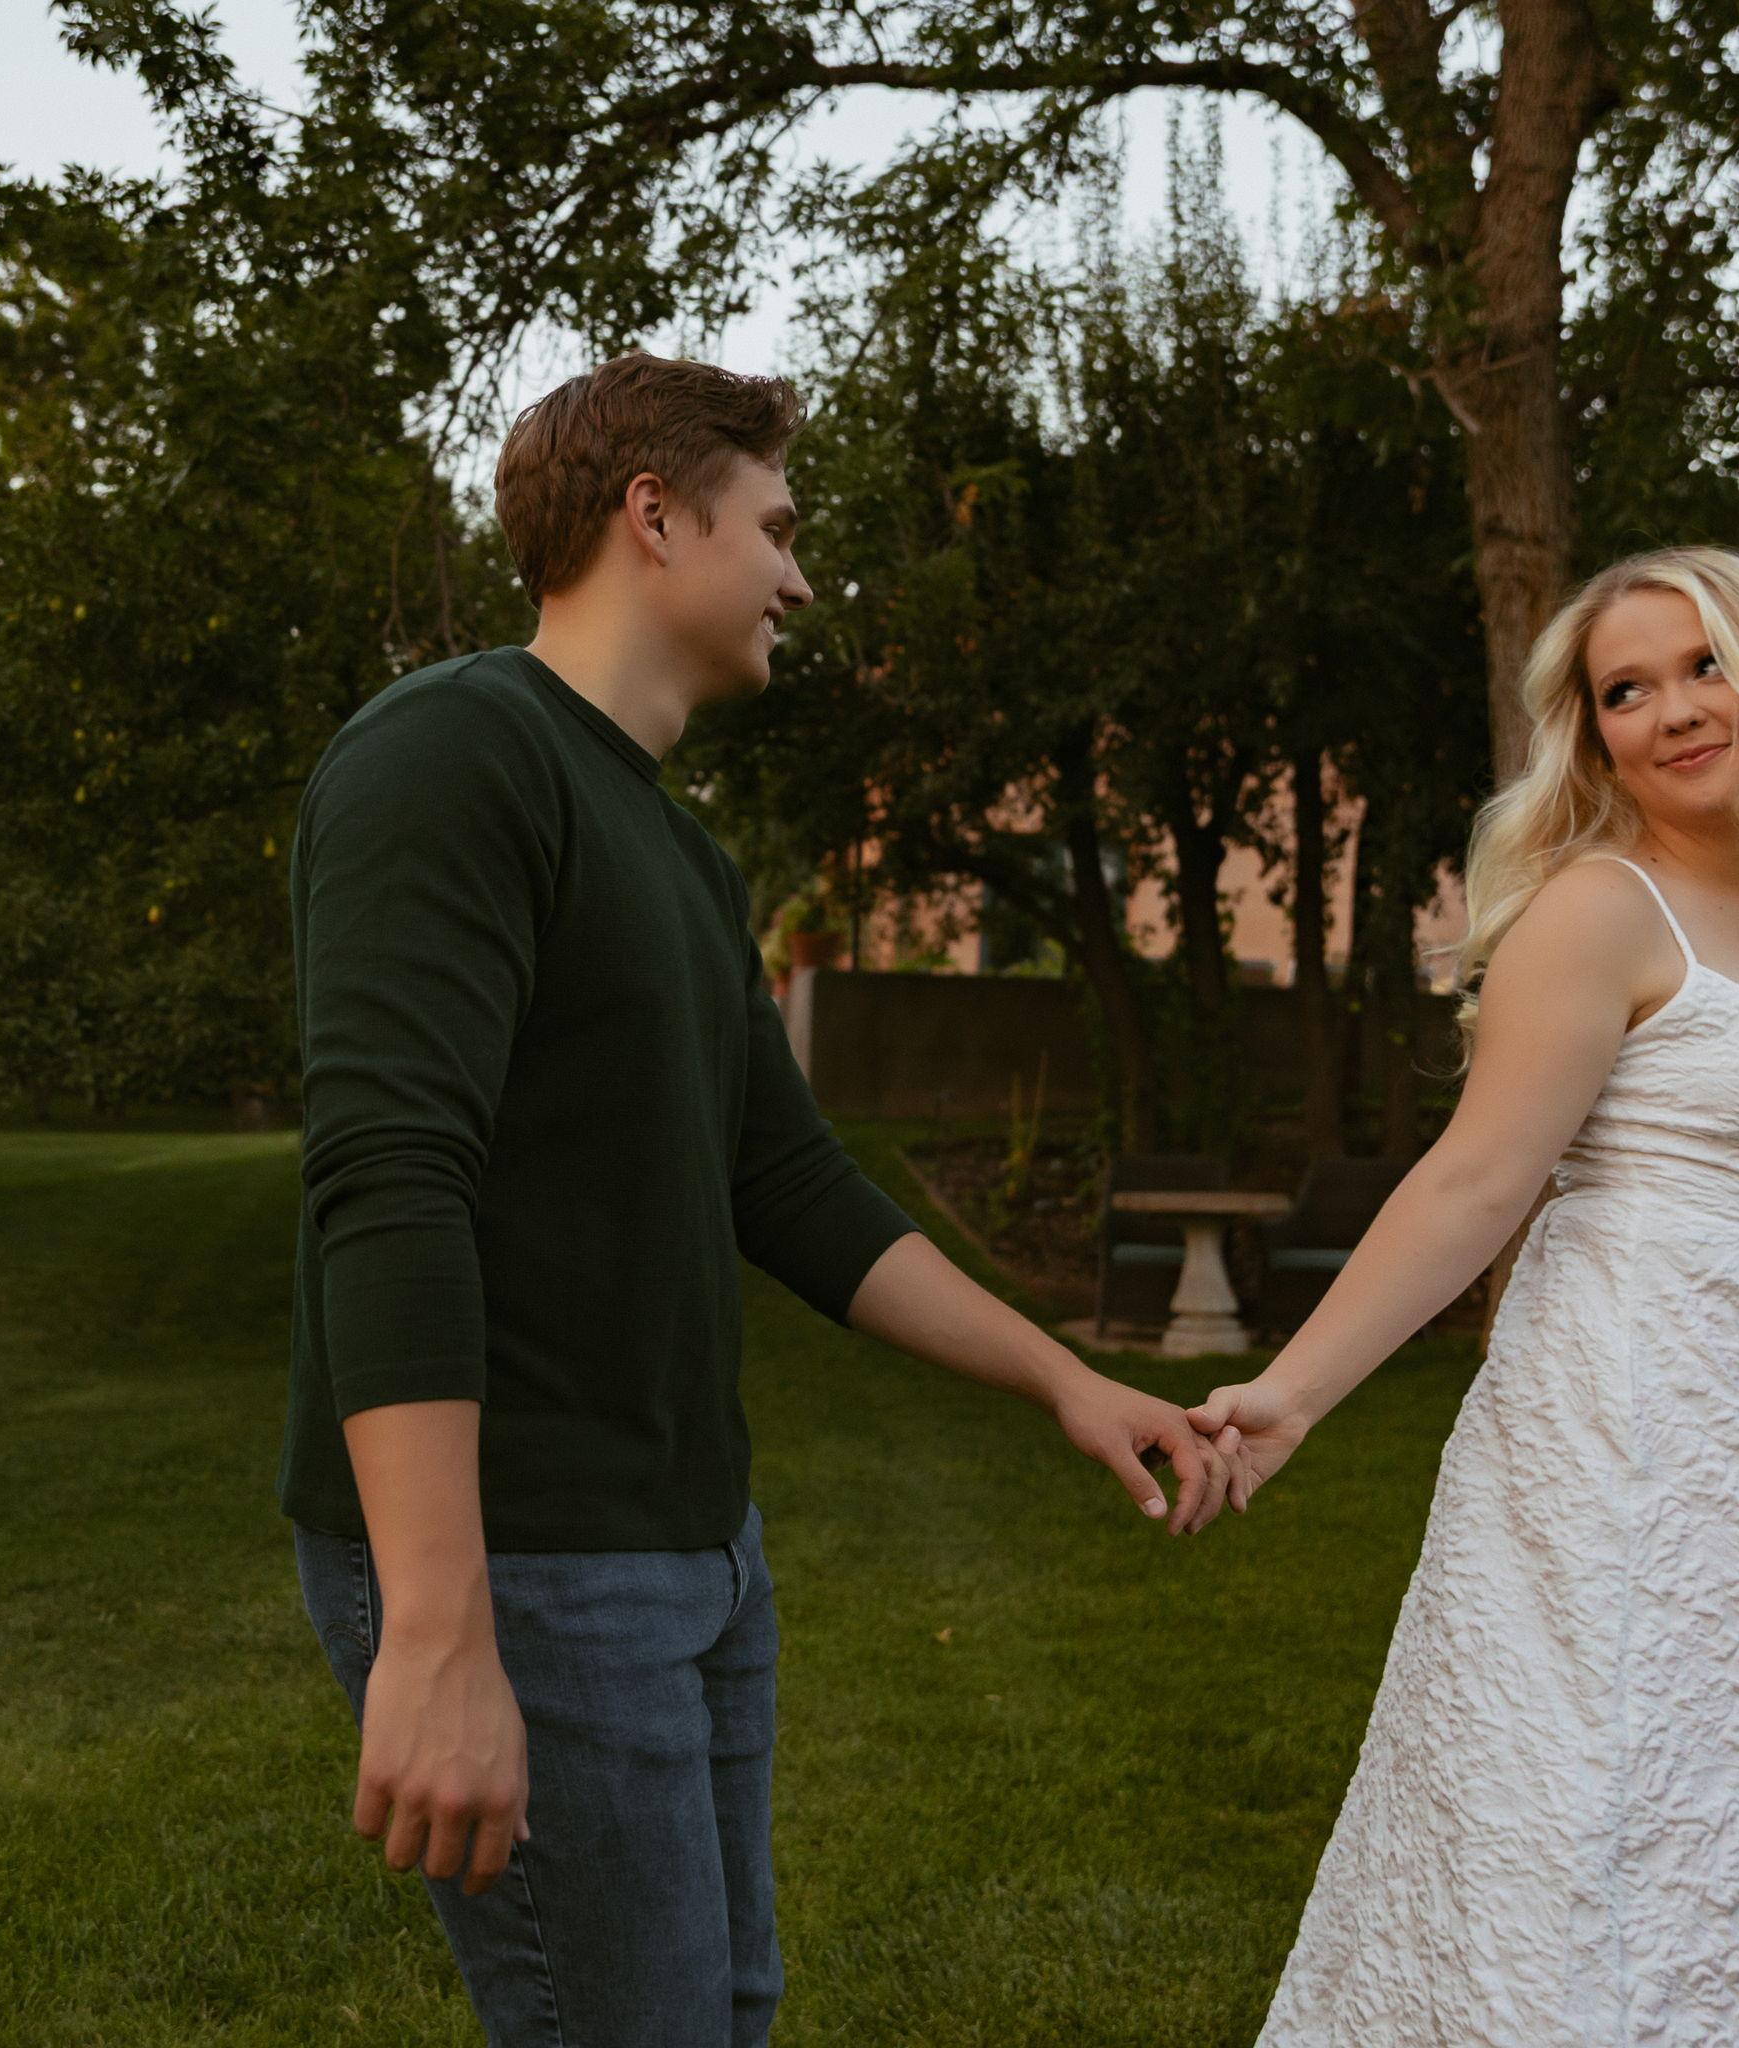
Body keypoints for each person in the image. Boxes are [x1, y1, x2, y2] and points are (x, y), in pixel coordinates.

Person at [276, 350, 1245, 2048]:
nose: (800, 578)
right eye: (779, 529)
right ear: (655, 514)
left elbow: (788, 1181)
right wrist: (435, 1628)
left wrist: (1064, 1380)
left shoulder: (679, 849)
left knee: (718, 2012)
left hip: (695, 1548)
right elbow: (389, 1176)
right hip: (530, 1558)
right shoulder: (454, 754)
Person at [1192, 545, 1739, 2044]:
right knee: (1593, 1798)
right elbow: (1476, 1182)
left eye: (1705, 664)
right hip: (1628, 1432)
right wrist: (1291, 1396)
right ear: (1596, 736)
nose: (1676, 711)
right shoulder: (1600, 912)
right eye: (1628, 691)